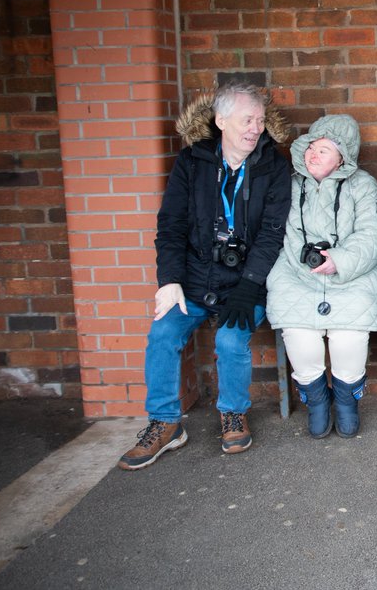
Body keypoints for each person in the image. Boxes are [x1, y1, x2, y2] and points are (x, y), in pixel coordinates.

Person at [118, 83, 292, 470]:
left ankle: (232, 413)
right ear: (221, 120)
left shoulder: (274, 165)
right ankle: (165, 424)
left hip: (247, 283)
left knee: (231, 340)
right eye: (248, 120)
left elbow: (272, 235)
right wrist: (169, 280)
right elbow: (171, 226)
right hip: (194, 281)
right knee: (162, 333)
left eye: (260, 121)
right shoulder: (192, 162)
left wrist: (250, 287)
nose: (255, 128)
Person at [266, 115, 377, 439]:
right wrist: (308, 266)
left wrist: (338, 260)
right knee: (299, 333)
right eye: (312, 147)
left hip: (351, 273)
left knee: (348, 334)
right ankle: (317, 401)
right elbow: (285, 234)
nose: (314, 155)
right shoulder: (291, 184)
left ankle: (347, 402)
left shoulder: (361, 184)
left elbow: (369, 235)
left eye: (324, 150)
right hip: (298, 273)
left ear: (343, 157)